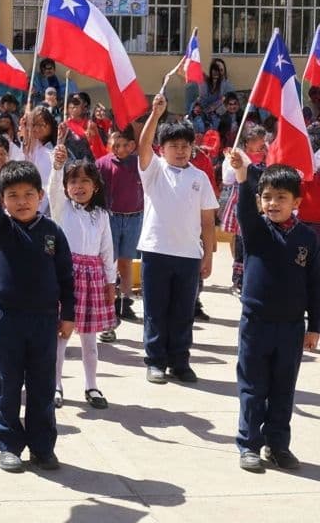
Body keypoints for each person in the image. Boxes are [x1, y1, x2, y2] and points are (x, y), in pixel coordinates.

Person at [0, 148, 75, 472]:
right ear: (4, 200)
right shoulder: (1, 228)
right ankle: (8, 444)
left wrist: (68, 314)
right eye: (13, 195)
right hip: (8, 318)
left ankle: (42, 446)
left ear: (40, 196)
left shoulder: (52, 232)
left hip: (45, 320)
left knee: (42, 385)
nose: (22, 201)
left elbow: (66, 275)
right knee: (7, 383)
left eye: (28, 194)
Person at [228, 150, 319, 472]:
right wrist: (242, 176)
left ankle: (278, 445)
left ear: (296, 201)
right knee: (253, 387)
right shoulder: (256, 231)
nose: (273, 204)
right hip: (256, 324)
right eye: (266, 197)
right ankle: (249, 445)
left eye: (281, 197)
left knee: (283, 389)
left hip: (292, 327)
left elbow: (315, 285)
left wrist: (314, 326)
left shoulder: (308, 238)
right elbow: (244, 213)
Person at [137, 96, 218, 385]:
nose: (181, 151)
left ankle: (180, 361)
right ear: (163, 148)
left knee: (183, 312)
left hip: (188, 255)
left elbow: (208, 222)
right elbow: (143, 146)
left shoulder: (200, 177)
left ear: (192, 148)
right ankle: (156, 361)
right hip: (156, 251)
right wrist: (155, 115)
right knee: (156, 310)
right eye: (174, 146)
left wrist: (207, 256)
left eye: (186, 146)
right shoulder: (154, 170)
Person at [48, 141, 114, 410]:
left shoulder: (101, 215)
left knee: (89, 338)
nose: (79, 186)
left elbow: (107, 251)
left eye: (85, 181)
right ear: (66, 187)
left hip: (93, 280)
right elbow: (52, 188)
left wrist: (111, 282)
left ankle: (92, 385)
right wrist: (57, 166)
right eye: (73, 182)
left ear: (95, 186)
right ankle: (55, 385)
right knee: (61, 335)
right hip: (65, 278)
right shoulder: (61, 208)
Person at [96, 126, 143, 333]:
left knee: (126, 261)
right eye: (116, 145)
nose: (120, 149)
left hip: (133, 218)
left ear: (132, 145)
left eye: (125, 145)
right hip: (111, 218)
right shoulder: (103, 164)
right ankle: (109, 302)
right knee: (109, 262)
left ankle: (125, 302)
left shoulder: (138, 163)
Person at [219, 125, 267, 296]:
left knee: (255, 240)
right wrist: (236, 164)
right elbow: (227, 179)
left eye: (264, 141)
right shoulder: (236, 154)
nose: (262, 145)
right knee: (239, 240)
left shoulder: (268, 155)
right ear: (248, 141)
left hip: (262, 203)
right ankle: (238, 280)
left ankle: (252, 276)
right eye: (259, 141)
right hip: (242, 199)